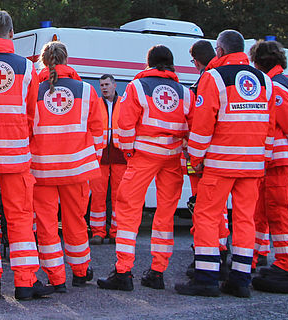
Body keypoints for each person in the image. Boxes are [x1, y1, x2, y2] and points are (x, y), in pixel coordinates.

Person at [175, 30, 274, 298]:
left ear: (219, 51)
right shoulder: (265, 80)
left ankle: (206, 278)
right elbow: (268, 125)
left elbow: (204, 123)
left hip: (220, 162)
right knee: (245, 219)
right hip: (252, 164)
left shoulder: (213, 77)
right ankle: (240, 280)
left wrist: (195, 157)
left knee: (207, 216)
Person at [0, 10, 53, 300]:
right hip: (16, 156)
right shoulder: (27, 68)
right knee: (20, 219)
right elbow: (33, 115)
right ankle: (26, 283)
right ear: (12, 33)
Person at [97, 45, 192, 291]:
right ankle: (158, 272)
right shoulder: (185, 92)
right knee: (165, 215)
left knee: (128, 211)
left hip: (143, 157)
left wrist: (129, 153)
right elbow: (192, 127)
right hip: (172, 159)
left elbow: (125, 125)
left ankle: (123, 271)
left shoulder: (137, 87)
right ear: (172, 65)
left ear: (148, 63)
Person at [31, 41, 105, 292]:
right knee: (76, 221)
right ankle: (81, 271)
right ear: (66, 59)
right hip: (76, 170)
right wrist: (88, 159)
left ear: (43, 61)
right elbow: (99, 134)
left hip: (41, 171)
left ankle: (56, 277)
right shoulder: (85, 90)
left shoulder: (33, 91)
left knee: (46, 225)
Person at [248, 40, 288, 278]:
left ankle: (286, 262)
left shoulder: (276, 85)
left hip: (277, 159)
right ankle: (258, 252)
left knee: (279, 210)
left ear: (259, 62)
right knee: (259, 209)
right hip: (269, 159)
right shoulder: (279, 82)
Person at [184, 40, 231, 280]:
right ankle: (218, 253)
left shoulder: (208, 79)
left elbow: (201, 122)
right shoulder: (217, 77)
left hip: (204, 157)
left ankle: (211, 257)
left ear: (196, 59)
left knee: (204, 209)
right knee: (215, 209)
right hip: (216, 155)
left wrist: (195, 155)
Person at [89, 74, 127, 245]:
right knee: (98, 194)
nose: (104, 88)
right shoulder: (96, 104)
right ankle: (98, 231)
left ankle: (116, 231)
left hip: (120, 154)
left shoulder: (125, 103)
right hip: (101, 154)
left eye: (106, 84)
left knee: (119, 195)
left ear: (114, 85)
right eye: (101, 85)